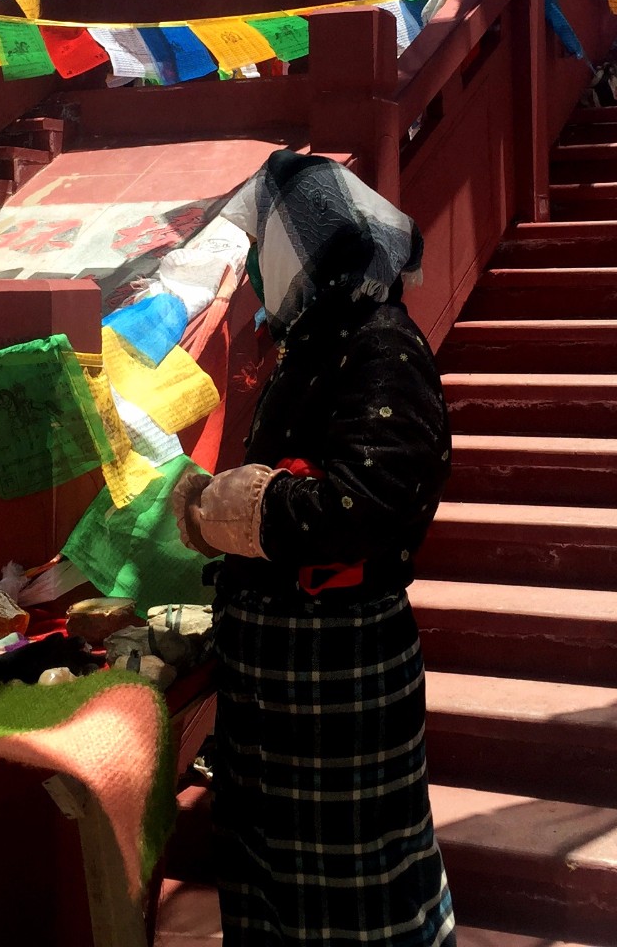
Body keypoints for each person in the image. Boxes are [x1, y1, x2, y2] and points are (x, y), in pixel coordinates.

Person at [175, 152, 457, 947]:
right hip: (284, 689)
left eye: (265, 247)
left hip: (339, 673)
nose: (257, 272)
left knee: (353, 898)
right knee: (277, 890)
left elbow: (367, 502)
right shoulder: (316, 340)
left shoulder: (382, 345)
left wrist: (244, 507)